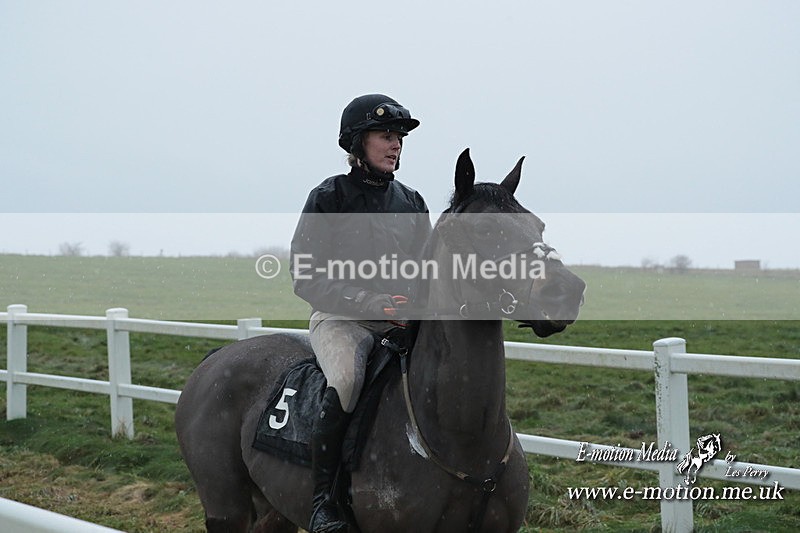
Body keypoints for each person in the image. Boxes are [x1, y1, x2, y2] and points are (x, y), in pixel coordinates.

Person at [290, 94, 431, 533]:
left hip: (400, 322)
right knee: (348, 379)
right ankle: (323, 503)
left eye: (400, 139)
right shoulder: (328, 196)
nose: (396, 146)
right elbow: (305, 276)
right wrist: (373, 303)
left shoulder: (412, 201)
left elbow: (426, 272)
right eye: (386, 136)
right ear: (358, 142)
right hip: (340, 321)